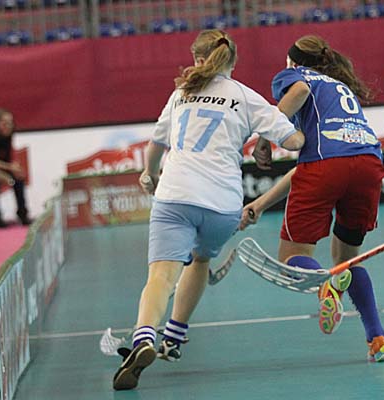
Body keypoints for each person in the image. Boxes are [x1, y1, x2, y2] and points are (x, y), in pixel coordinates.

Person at [112, 29, 305, 391]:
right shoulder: (244, 96)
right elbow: (294, 141)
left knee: (161, 277)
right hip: (224, 205)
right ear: (233, 63)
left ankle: (144, 338)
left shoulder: (180, 94)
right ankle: (174, 337)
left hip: (176, 196)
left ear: (199, 60)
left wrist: (149, 175)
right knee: (200, 260)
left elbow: (156, 146)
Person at [239, 35, 384, 362]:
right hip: (368, 165)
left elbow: (298, 92)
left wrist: (266, 137)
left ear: (293, 61)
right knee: (348, 260)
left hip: (327, 166)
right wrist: (260, 204)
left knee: (292, 257)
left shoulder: (296, 77)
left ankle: (326, 285)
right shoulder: (339, 87)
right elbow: (313, 166)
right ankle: (378, 339)